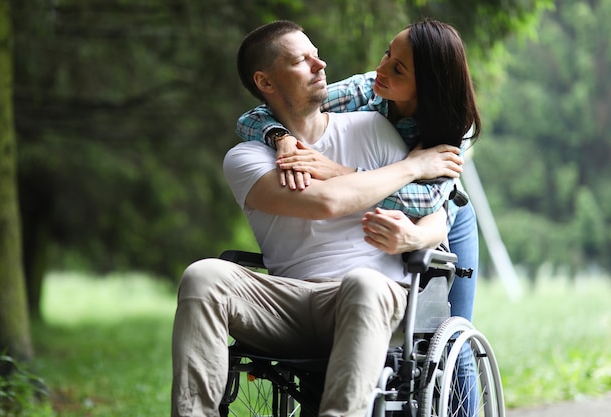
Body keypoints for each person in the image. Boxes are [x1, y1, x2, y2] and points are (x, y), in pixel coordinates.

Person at [171, 20, 464, 417]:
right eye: (301, 60)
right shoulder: (246, 157)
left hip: (370, 295)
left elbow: (437, 218)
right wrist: (412, 167)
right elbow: (325, 202)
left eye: (316, 53)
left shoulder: (374, 128)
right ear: (266, 82)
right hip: (287, 302)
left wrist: (411, 236)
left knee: (369, 285)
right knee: (203, 275)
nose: (321, 63)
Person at [235, 18, 480, 325]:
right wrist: (279, 137)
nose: (381, 69)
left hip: (445, 217)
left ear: (428, 86)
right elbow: (256, 116)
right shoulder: (365, 91)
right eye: (387, 54)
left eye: (398, 69)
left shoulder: (452, 125)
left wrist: (337, 173)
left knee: (452, 327)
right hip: (387, 200)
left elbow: (427, 201)